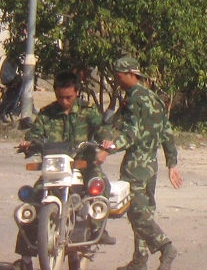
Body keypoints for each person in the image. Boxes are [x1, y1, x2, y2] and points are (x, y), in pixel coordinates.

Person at [14, 70, 116, 270]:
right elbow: (35, 134)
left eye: (68, 97)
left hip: (83, 164)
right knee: (33, 199)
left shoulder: (88, 110)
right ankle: (25, 259)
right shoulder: (47, 113)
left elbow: (102, 128)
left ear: (77, 92)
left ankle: (97, 231)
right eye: (60, 97)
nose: (64, 101)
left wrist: (105, 141)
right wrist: (29, 143)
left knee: (100, 185)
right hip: (55, 166)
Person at [103, 56, 184, 270]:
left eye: (119, 77)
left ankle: (165, 247)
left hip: (136, 165)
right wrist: (172, 163)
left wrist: (109, 148)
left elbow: (131, 134)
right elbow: (166, 132)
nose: (117, 81)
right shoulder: (154, 98)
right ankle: (139, 260)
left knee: (136, 212)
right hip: (151, 165)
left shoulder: (134, 100)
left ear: (131, 74)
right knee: (144, 211)